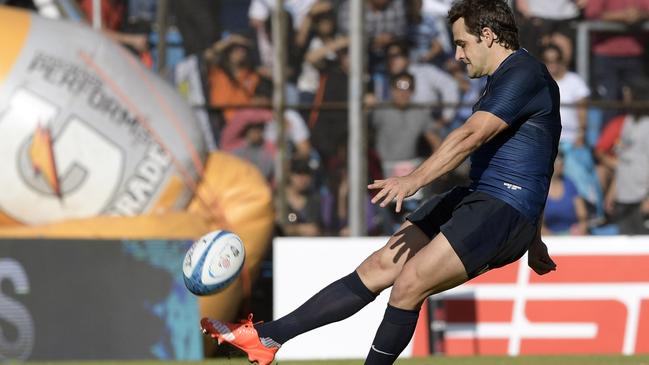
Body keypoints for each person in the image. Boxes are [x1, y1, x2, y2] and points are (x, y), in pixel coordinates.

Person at [200, 1, 560, 364]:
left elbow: (471, 136)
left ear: (488, 35)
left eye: (462, 43)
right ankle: (267, 336)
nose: (457, 54)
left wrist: (413, 180)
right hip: (478, 199)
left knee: (410, 283)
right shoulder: (505, 79)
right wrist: (536, 240)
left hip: (503, 209)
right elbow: (539, 158)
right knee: (378, 267)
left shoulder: (524, 73)